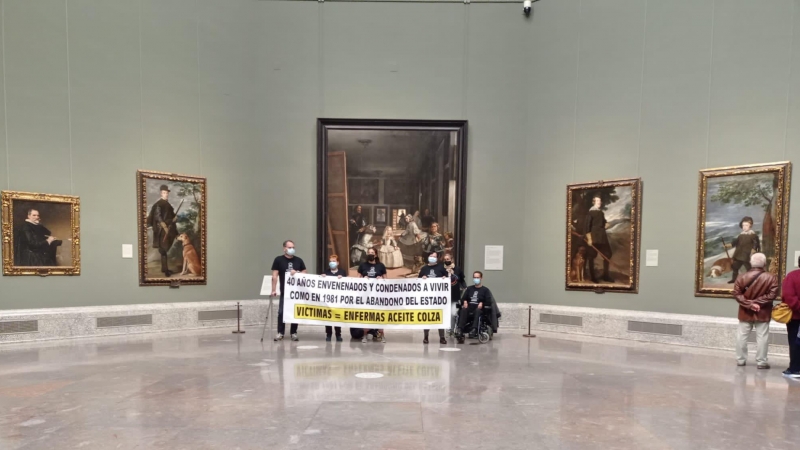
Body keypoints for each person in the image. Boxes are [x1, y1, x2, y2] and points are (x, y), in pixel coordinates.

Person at [733, 253, 778, 369]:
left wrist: (750, 304)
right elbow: (772, 294)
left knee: (741, 337)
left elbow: (737, 294)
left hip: (745, 312)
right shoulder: (771, 277)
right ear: (764, 263)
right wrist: (757, 303)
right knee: (762, 337)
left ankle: (740, 360)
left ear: (751, 262)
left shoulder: (741, 277)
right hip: (762, 312)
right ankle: (761, 362)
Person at [270, 240, 307, 342]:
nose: (292, 249)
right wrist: (274, 290)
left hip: (296, 292)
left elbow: (304, 271)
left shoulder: (298, 260)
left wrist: (298, 272)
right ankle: (280, 332)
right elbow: (274, 276)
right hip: (284, 292)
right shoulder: (278, 260)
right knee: (281, 312)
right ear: (284, 248)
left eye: (293, 247)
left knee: (294, 312)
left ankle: (293, 332)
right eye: (290, 247)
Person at [146, 185, 179, 277]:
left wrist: (175, 218)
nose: (166, 194)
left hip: (168, 228)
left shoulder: (168, 204)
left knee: (165, 249)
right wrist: (164, 226)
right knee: (163, 249)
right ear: (161, 193)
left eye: (167, 193)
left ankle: (164, 268)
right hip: (162, 230)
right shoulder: (158, 204)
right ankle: (165, 270)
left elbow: (171, 216)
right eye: (164, 193)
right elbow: (158, 216)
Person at [457, 271, 496, 344]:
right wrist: (464, 301)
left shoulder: (485, 290)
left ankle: (474, 329)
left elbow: (488, 302)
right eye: (474, 277)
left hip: (479, 309)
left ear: (481, 278)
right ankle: (460, 329)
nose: (476, 279)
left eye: (477, 277)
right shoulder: (469, 289)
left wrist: (482, 303)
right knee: (463, 310)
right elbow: (463, 299)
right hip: (469, 307)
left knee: (478, 311)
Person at [358, 248, 387, 343]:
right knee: (366, 314)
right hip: (366, 295)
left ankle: (381, 335)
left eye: (372, 253)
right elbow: (357, 280)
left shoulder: (381, 266)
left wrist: (381, 279)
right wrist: (363, 278)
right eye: (369, 253)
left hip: (378, 295)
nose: (370, 254)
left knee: (379, 315)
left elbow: (387, 280)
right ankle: (365, 335)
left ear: (375, 254)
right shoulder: (362, 265)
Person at [419, 252, 449, 344]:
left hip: (439, 298)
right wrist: (422, 278)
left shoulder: (441, 268)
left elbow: (447, 278)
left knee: (440, 317)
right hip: (428, 298)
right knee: (427, 317)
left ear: (437, 258)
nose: (432, 258)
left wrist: (444, 278)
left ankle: (442, 337)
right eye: (431, 256)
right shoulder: (424, 268)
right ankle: (426, 337)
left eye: (434, 257)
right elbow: (418, 281)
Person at [584, 196, 613, 283]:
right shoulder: (590, 213)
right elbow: (587, 227)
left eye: (600, 201)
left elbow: (604, 222)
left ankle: (606, 276)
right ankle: (593, 277)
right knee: (591, 256)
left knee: (607, 254)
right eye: (598, 201)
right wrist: (589, 239)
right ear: (594, 202)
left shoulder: (601, 213)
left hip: (602, 237)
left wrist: (607, 224)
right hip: (594, 238)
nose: (599, 202)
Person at [780, 256, 800, 378]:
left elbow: (789, 297)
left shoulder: (792, 276)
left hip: (796, 316)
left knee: (795, 342)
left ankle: (795, 369)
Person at [726, 216, 761, 284]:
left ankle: (751, 281)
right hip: (739, 254)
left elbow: (756, 243)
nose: (744, 227)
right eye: (743, 225)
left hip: (746, 255)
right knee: (735, 267)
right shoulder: (741, 235)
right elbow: (735, 242)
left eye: (746, 225)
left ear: (750, 225)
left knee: (749, 269)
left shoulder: (753, 235)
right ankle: (734, 279)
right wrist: (729, 245)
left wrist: (754, 248)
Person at [320, 255, 344, 342]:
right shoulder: (325, 272)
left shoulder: (342, 272)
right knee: (328, 317)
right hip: (328, 299)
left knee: (337, 316)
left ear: (337, 263)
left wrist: (343, 279)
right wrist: (321, 278)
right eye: (330, 261)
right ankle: (328, 334)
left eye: (334, 261)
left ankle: (338, 334)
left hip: (338, 299)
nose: (332, 263)